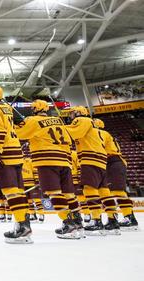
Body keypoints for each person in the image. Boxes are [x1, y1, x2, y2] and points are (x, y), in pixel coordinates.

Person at [15, 100, 82, 239]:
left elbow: (18, 133)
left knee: (54, 193)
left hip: (47, 159)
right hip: (65, 160)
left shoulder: (32, 120)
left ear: (34, 109)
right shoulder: (58, 121)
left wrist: (17, 122)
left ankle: (67, 223)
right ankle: (78, 222)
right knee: (69, 194)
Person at [0, 85, 31, 244]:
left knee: (10, 192)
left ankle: (22, 226)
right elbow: (19, 125)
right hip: (17, 152)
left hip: (5, 154)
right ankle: (23, 223)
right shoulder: (6, 109)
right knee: (19, 191)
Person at [65, 106, 117, 236]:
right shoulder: (93, 126)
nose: (71, 116)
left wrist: (58, 127)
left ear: (79, 113)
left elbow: (73, 133)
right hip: (101, 160)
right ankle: (112, 220)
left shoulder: (82, 120)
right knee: (104, 191)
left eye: (72, 113)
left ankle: (96, 220)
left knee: (90, 190)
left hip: (90, 158)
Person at [93, 118, 139, 231]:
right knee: (109, 192)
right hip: (113, 162)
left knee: (117, 192)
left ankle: (129, 218)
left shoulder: (100, 133)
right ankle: (118, 217)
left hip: (113, 162)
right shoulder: (105, 134)